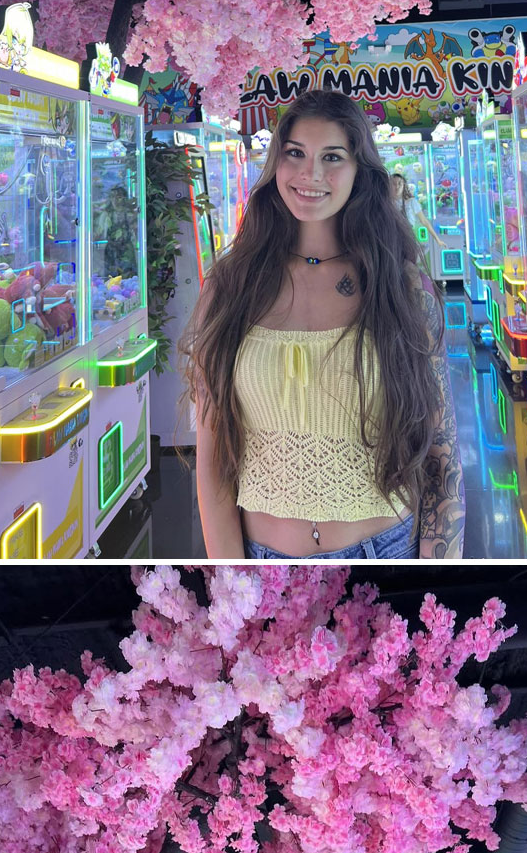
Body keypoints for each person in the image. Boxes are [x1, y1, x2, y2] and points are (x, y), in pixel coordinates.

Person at [184, 89, 465, 559]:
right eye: (295, 153)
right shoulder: (231, 287)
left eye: (332, 157)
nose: (310, 174)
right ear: (276, 164)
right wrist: (231, 580)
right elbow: (212, 456)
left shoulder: (403, 289)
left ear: (360, 172)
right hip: (266, 568)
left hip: (387, 551)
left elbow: (441, 458)